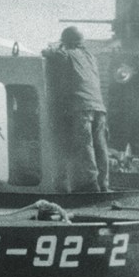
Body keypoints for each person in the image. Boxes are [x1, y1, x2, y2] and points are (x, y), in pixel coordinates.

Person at [43, 26, 110, 192]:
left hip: (82, 107)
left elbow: (47, 52)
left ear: (67, 42)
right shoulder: (90, 56)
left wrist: (55, 47)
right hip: (99, 107)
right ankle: (104, 183)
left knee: (85, 145)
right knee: (100, 146)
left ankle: (90, 184)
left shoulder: (66, 54)